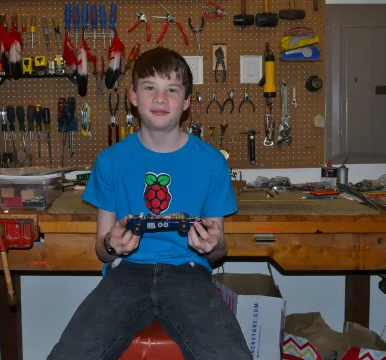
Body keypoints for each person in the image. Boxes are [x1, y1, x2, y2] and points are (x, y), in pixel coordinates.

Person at [47, 47, 251, 360]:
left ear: (186, 103)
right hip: (125, 274)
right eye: (149, 88)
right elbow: (102, 249)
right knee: (72, 354)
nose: (160, 98)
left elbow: (218, 252)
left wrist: (215, 243)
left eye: (172, 90)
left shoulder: (211, 163)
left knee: (231, 355)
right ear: (133, 96)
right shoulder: (110, 161)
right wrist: (112, 244)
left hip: (189, 274)